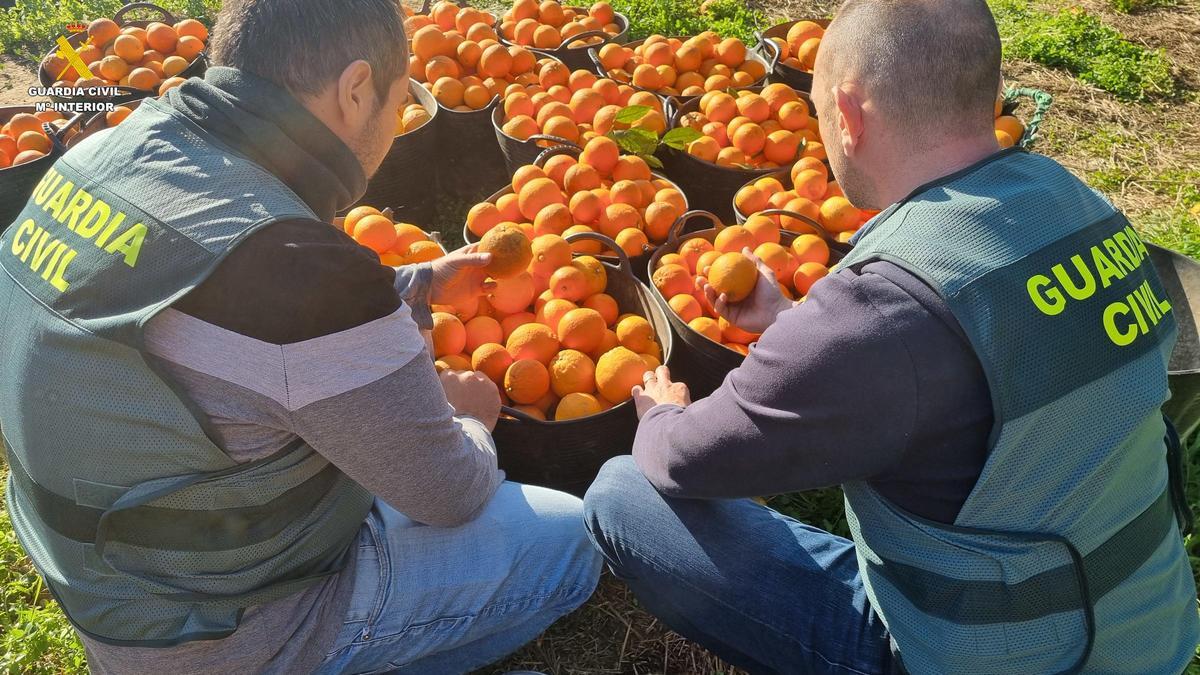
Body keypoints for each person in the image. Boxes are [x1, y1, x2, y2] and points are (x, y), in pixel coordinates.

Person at [582, 0, 1199, 672]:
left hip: (998, 654)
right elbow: (972, 358)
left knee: (624, 494)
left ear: (846, 114)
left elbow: (686, 461)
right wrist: (794, 322)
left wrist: (662, 419)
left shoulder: (877, 308)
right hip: (1146, 628)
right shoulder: (1082, 206)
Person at [0, 1, 600, 673]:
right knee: (567, 542)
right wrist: (472, 417)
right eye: (397, 104)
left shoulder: (113, 149)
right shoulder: (297, 267)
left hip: (115, 591)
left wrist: (418, 286)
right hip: (225, 635)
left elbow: (206, 299)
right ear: (354, 90)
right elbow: (449, 491)